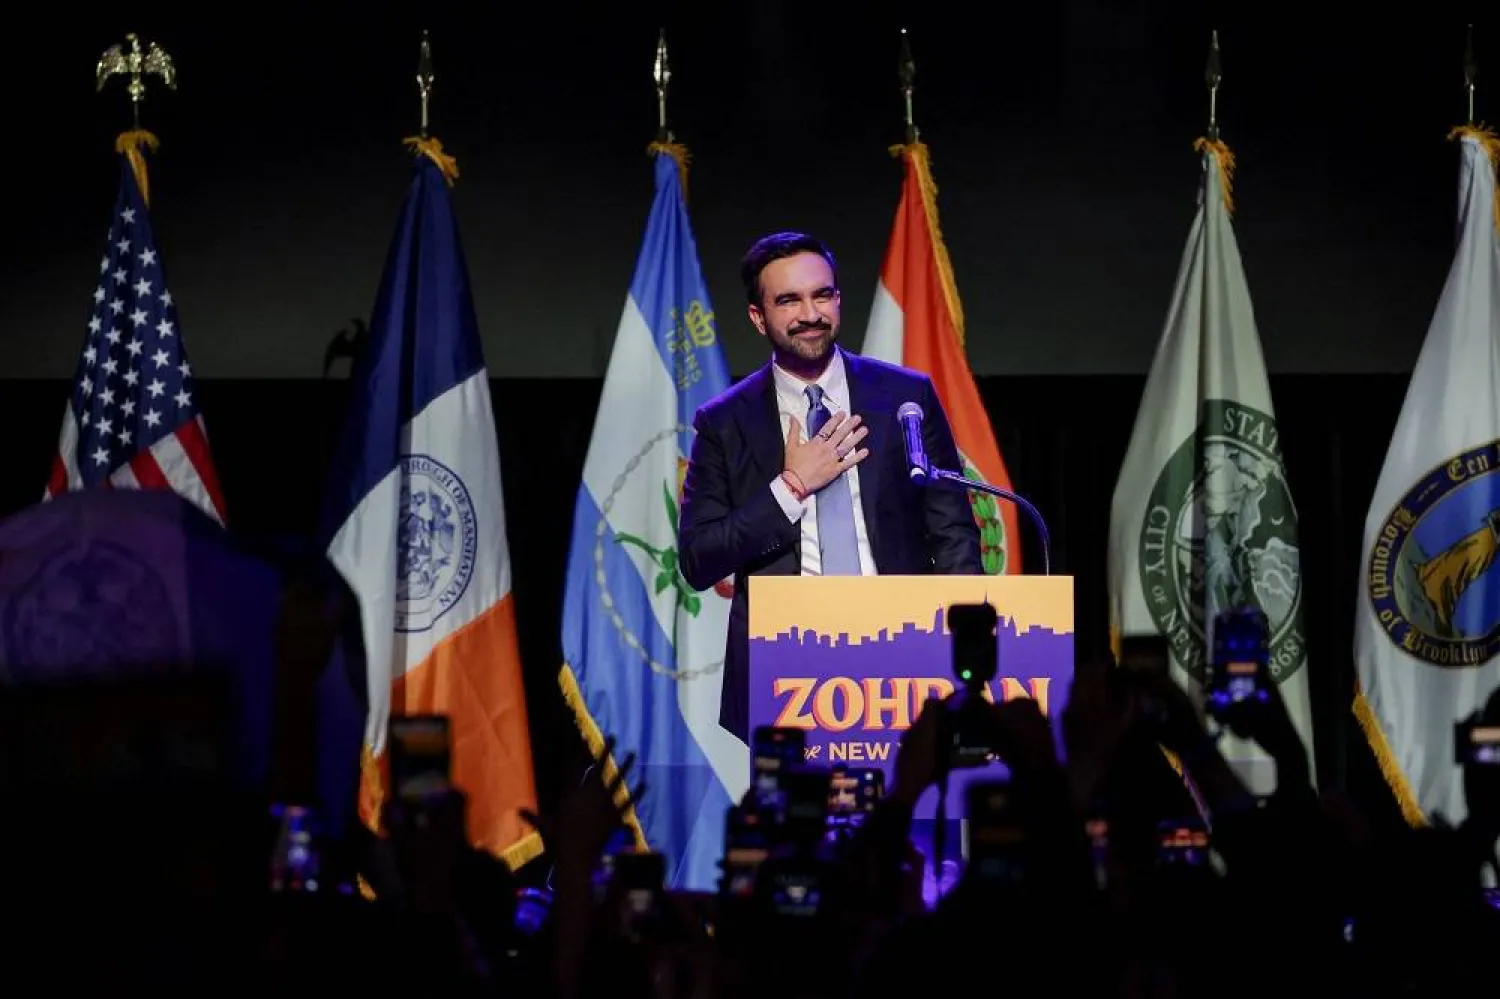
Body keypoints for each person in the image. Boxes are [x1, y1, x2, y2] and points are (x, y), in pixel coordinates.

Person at [677, 231, 983, 743]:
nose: (810, 314)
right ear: (758, 317)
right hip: (785, 667)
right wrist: (792, 486)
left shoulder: (905, 396)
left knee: (910, 795)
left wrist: (964, 648)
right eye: (788, 300)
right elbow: (698, 559)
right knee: (798, 800)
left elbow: (953, 534)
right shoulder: (724, 422)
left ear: (838, 299)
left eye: (822, 295)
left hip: (905, 654)